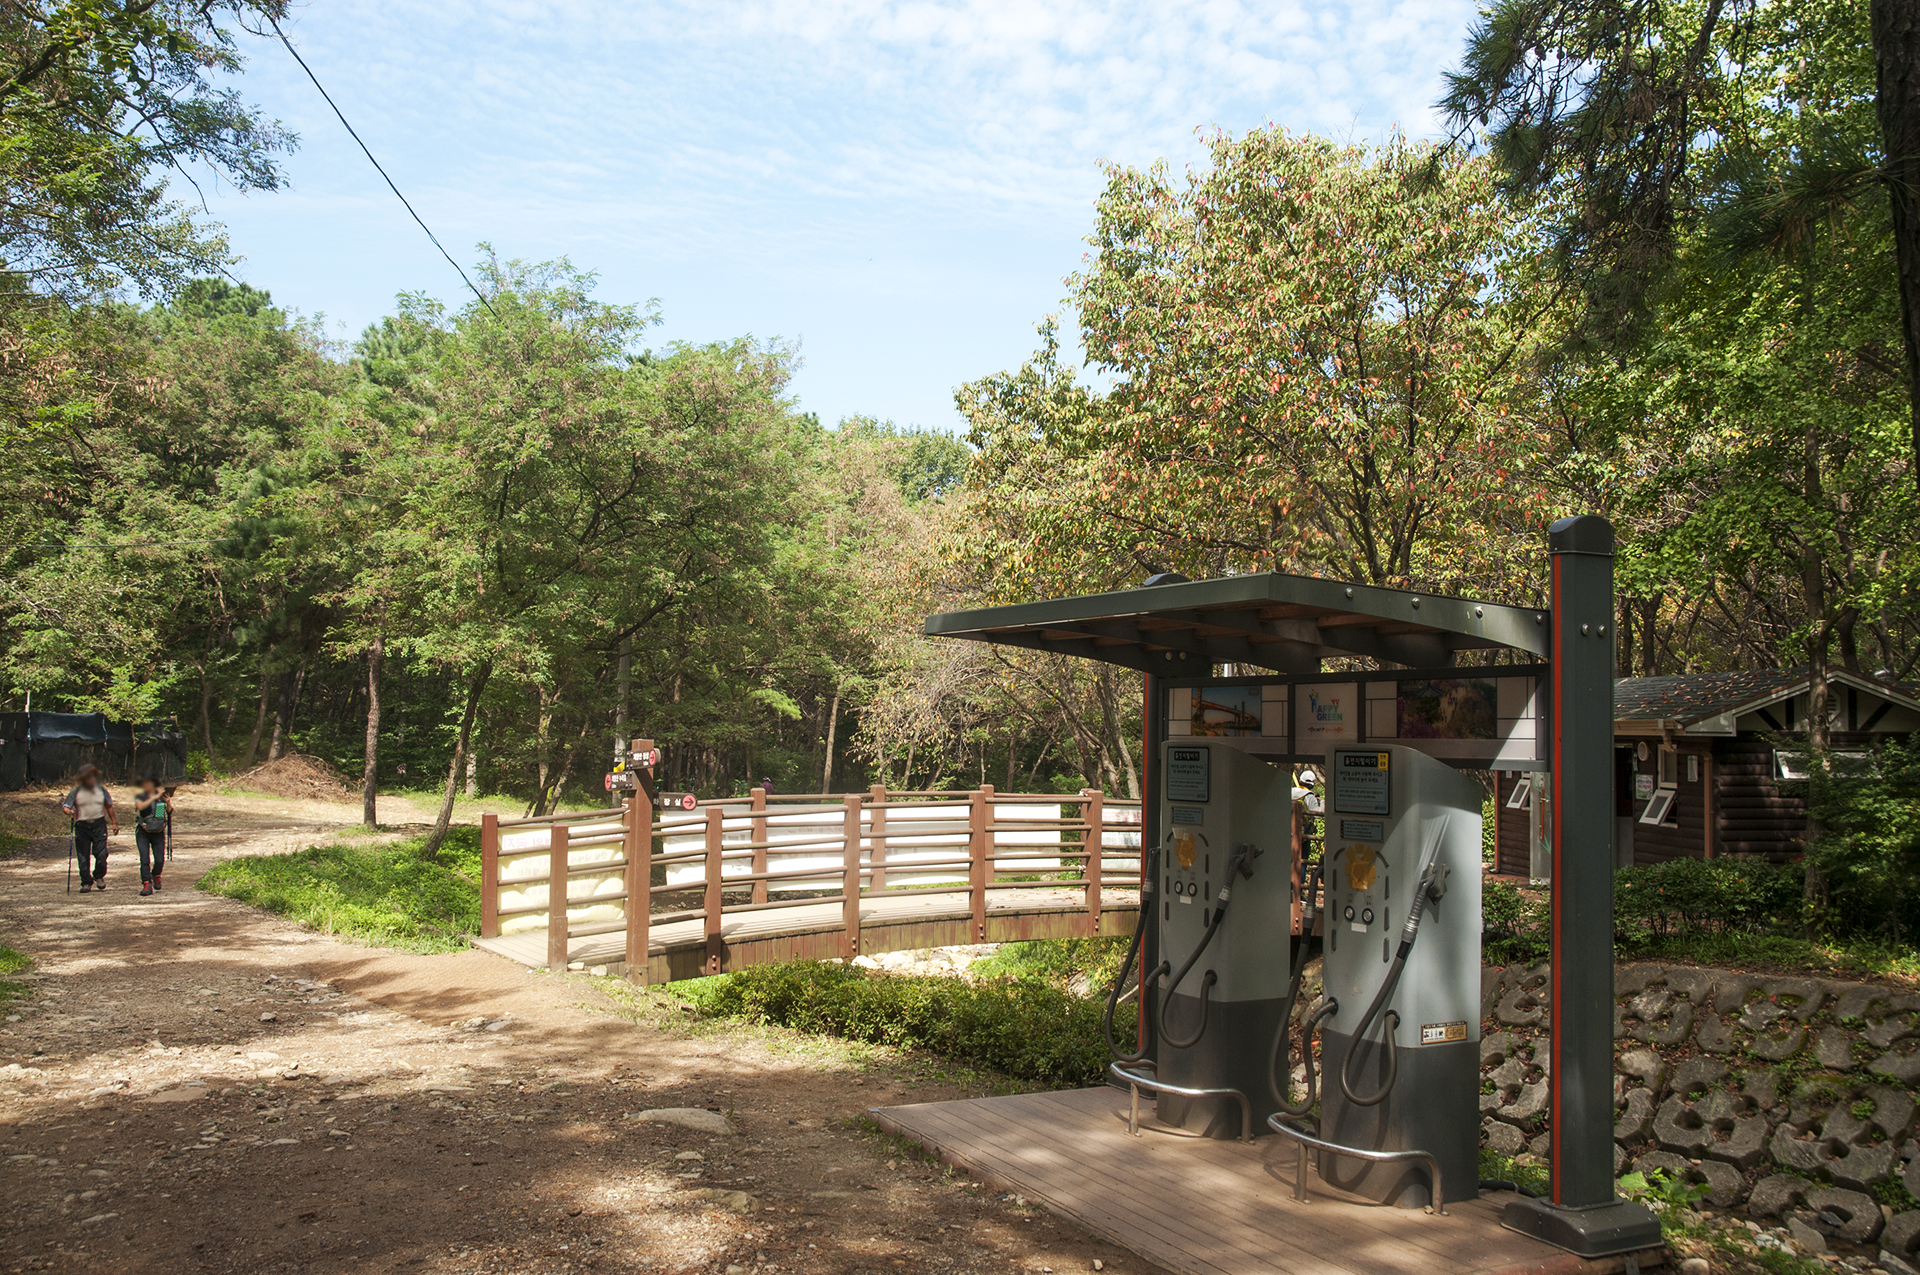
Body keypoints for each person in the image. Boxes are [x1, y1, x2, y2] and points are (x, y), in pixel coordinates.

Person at [59, 765, 117, 893]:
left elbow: (109, 806)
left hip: (99, 824)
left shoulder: (101, 790)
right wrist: (69, 812)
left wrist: (114, 823)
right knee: (83, 856)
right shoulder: (75, 792)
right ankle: (86, 882)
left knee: (102, 853)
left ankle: (99, 875)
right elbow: (66, 806)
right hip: (82, 826)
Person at [132, 776, 169, 896]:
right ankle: (146, 883)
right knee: (145, 859)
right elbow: (140, 807)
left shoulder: (160, 798)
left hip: (157, 832)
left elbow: (163, 814)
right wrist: (153, 797)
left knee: (159, 859)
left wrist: (167, 802)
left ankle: (156, 874)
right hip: (143, 832)